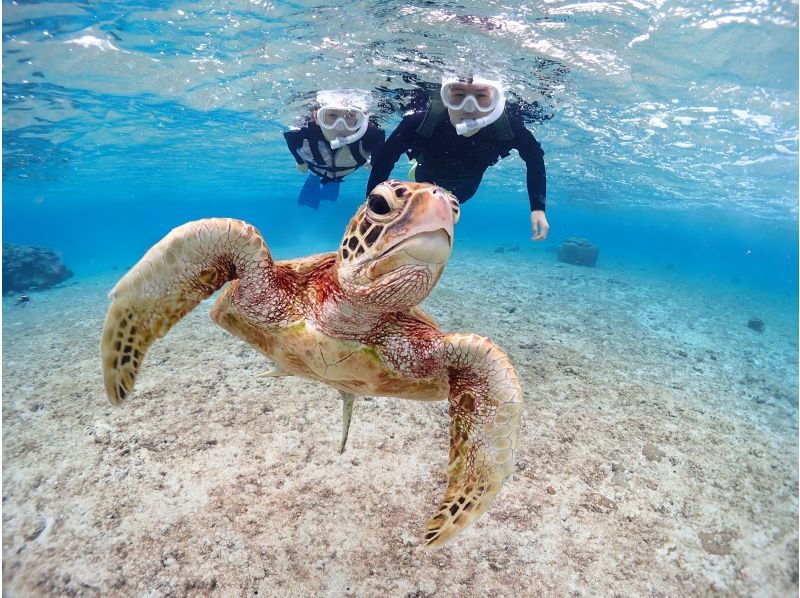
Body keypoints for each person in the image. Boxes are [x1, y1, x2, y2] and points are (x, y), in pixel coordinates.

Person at [367, 76, 550, 240]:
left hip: (468, 185)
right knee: (426, 202)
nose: (469, 108)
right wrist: (371, 206)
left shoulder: (509, 127)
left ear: (495, 101)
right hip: (426, 176)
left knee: (454, 203)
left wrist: (538, 208)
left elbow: (534, 159)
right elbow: (385, 158)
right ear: (445, 97)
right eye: (459, 95)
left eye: (481, 97)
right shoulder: (420, 122)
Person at [284, 89, 385, 209]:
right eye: (332, 115)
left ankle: (331, 183)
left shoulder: (371, 135)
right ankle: (314, 177)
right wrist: (299, 161)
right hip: (316, 168)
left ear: (361, 121)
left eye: (350, 116)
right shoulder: (302, 133)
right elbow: (290, 139)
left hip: (341, 173)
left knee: (334, 183)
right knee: (318, 174)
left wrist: (374, 161)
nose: (340, 126)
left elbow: (380, 142)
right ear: (317, 117)